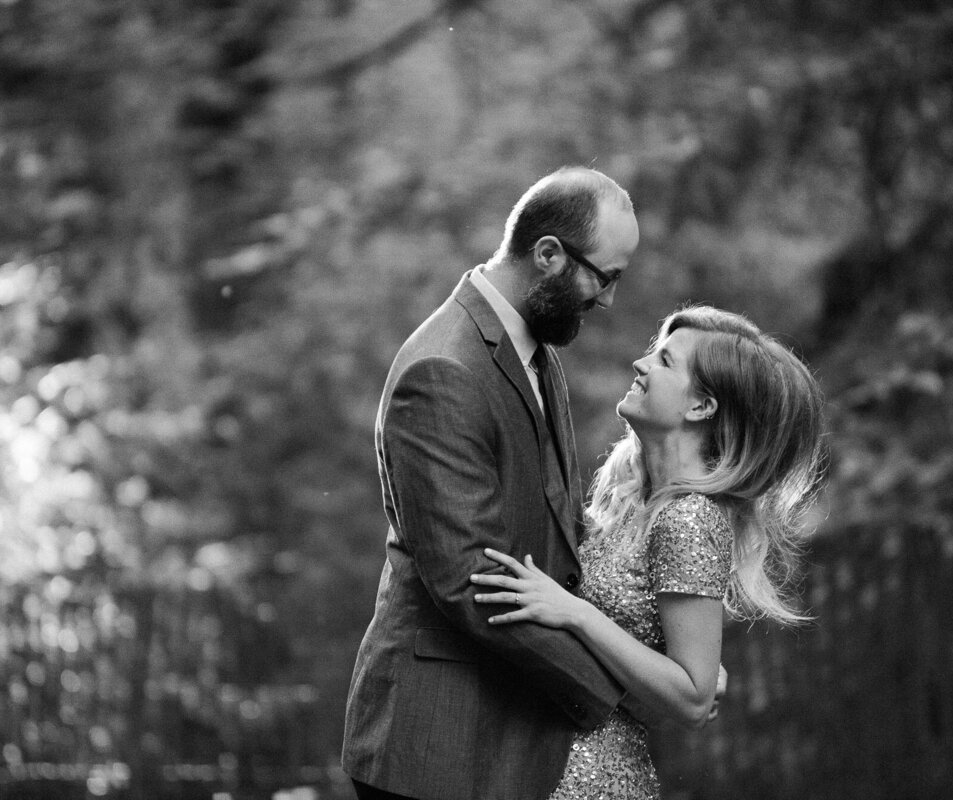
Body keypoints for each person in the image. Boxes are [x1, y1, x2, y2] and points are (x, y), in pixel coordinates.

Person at [342, 166, 642, 800]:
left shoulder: (536, 350)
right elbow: (475, 582)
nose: (609, 299)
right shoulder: (443, 369)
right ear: (549, 254)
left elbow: (556, 540)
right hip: (435, 746)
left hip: (501, 737)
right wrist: (621, 682)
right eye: (605, 277)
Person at [472, 305, 826, 799]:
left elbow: (694, 697)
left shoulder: (689, 517)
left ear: (702, 406)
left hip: (597, 782)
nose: (641, 366)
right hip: (547, 767)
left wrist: (574, 613)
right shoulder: (628, 501)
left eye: (664, 361)